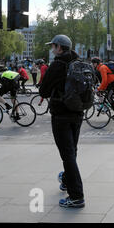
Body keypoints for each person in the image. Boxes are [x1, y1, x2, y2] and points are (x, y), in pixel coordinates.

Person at [38, 34, 85, 208]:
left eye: (53, 46)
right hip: (78, 112)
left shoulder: (57, 65)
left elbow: (43, 91)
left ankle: (76, 196)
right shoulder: (79, 62)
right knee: (72, 151)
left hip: (61, 115)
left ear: (59, 47)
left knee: (67, 155)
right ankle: (66, 180)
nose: (52, 49)